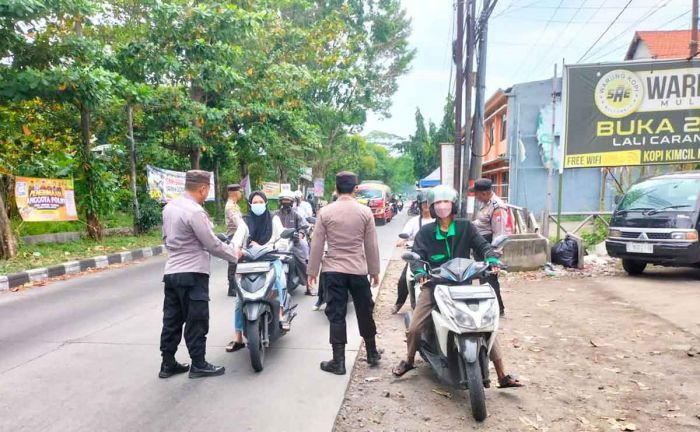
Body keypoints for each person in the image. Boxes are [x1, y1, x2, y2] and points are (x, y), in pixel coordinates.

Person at [392, 185, 522, 389]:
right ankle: (408, 360)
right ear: (432, 207)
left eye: (446, 202)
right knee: (416, 327)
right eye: (438, 203)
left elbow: (482, 245)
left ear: (454, 205)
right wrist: (420, 273)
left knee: (484, 323)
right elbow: (416, 257)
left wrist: (491, 257)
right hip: (435, 286)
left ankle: (502, 374)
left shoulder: (466, 227)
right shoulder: (425, 232)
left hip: (465, 284)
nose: (442, 206)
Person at [159, 170, 240, 379]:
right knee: (197, 319)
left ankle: (167, 363)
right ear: (202, 188)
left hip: (171, 272)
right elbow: (212, 243)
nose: (207, 193)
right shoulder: (195, 212)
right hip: (193, 274)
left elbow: (166, 238)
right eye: (207, 190)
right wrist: (235, 254)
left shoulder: (169, 207)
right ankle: (199, 364)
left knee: (172, 320)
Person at [308, 171, 382, 375]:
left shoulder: (325, 212)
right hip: (358, 270)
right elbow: (371, 245)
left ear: (336, 188)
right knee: (364, 310)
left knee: (337, 314)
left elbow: (317, 244)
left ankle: (338, 362)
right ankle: (372, 353)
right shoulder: (365, 212)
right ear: (355, 189)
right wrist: (374, 270)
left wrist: (312, 271)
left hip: (333, 270)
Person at [226, 191, 289, 352]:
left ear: (266, 203)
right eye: (255, 202)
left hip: (270, 259)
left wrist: (272, 248)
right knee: (240, 297)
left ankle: (281, 314)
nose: (258, 204)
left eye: (261, 201)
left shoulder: (273, 219)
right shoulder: (245, 222)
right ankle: (238, 337)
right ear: (250, 204)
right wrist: (236, 249)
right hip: (249, 262)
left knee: (279, 280)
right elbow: (237, 239)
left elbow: (283, 239)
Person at [470, 178, 511, 317]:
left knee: (490, 278)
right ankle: (488, 308)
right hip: (481, 245)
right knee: (482, 278)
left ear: (484, 193)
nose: (475, 196)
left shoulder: (497, 206)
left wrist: (494, 255)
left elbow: (500, 232)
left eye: (476, 194)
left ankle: (498, 309)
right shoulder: (486, 203)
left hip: (489, 246)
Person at [391, 191, 434, 314]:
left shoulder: (439, 220)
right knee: (404, 280)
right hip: (417, 257)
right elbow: (402, 237)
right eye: (423, 203)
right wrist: (402, 241)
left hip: (435, 256)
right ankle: (399, 303)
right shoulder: (414, 222)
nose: (426, 206)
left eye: (428, 203)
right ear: (419, 205)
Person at [276, 190, 312, 296]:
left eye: (288, 200)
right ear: (280, 202)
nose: (285, 202)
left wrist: (301, 233)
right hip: (279, 244)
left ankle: (309, 286)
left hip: (294, 243)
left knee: (302, 261)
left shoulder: (296, 215)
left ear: (291, 202)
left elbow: (303, 226)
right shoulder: (275, 215)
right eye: (283, 200)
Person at [225, 183, 243, 297]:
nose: (241, 194)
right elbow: (238, 223)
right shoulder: (231, 206)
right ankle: (231, 288)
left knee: (237, 262)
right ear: (236, 193)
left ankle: (236, 285)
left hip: (236, 235)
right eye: (240, 192)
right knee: (233, 262)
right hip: (233, 237)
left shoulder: (234, 205)